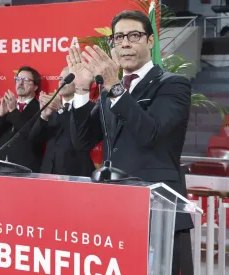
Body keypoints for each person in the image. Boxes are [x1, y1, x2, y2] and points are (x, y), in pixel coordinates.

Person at [67, 10, 194, 275]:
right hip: (114, 207)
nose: (125, 43)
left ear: (150, 41)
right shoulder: (110, 91)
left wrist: (114, 87)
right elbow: (81, 141)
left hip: (157, 208)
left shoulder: (173, 85)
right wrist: (80, 89)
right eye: (119, 37)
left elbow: (151, 133)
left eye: (134, 35)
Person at [28, 67, 95, 176]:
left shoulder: (89, 107)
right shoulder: (50, 107)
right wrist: (44, 116)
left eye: (67, 79)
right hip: (48, 172)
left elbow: (81, 138)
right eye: (60, 78)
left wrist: (60, 109)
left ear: (78, 82)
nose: (62, 82)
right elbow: (34, 141)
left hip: (76, 174)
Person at [0, 66, 44, 172]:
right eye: (18, 79)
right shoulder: (8, 105)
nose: (20, 83)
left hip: (25, 168)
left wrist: (13, 111)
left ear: (35, 86)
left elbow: (29, 135)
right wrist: (0, 115)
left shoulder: (41, 108)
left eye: (26, 80)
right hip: (0, 166)